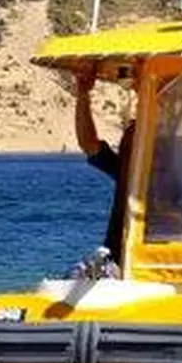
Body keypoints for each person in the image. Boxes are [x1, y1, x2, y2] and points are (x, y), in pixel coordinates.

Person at [73, 70, 134, 265]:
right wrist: (83, 93)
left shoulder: (165, 179)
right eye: (126, 137)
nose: (123, 142)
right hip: (117, 260)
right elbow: (89, 144)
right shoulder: (125, 171)